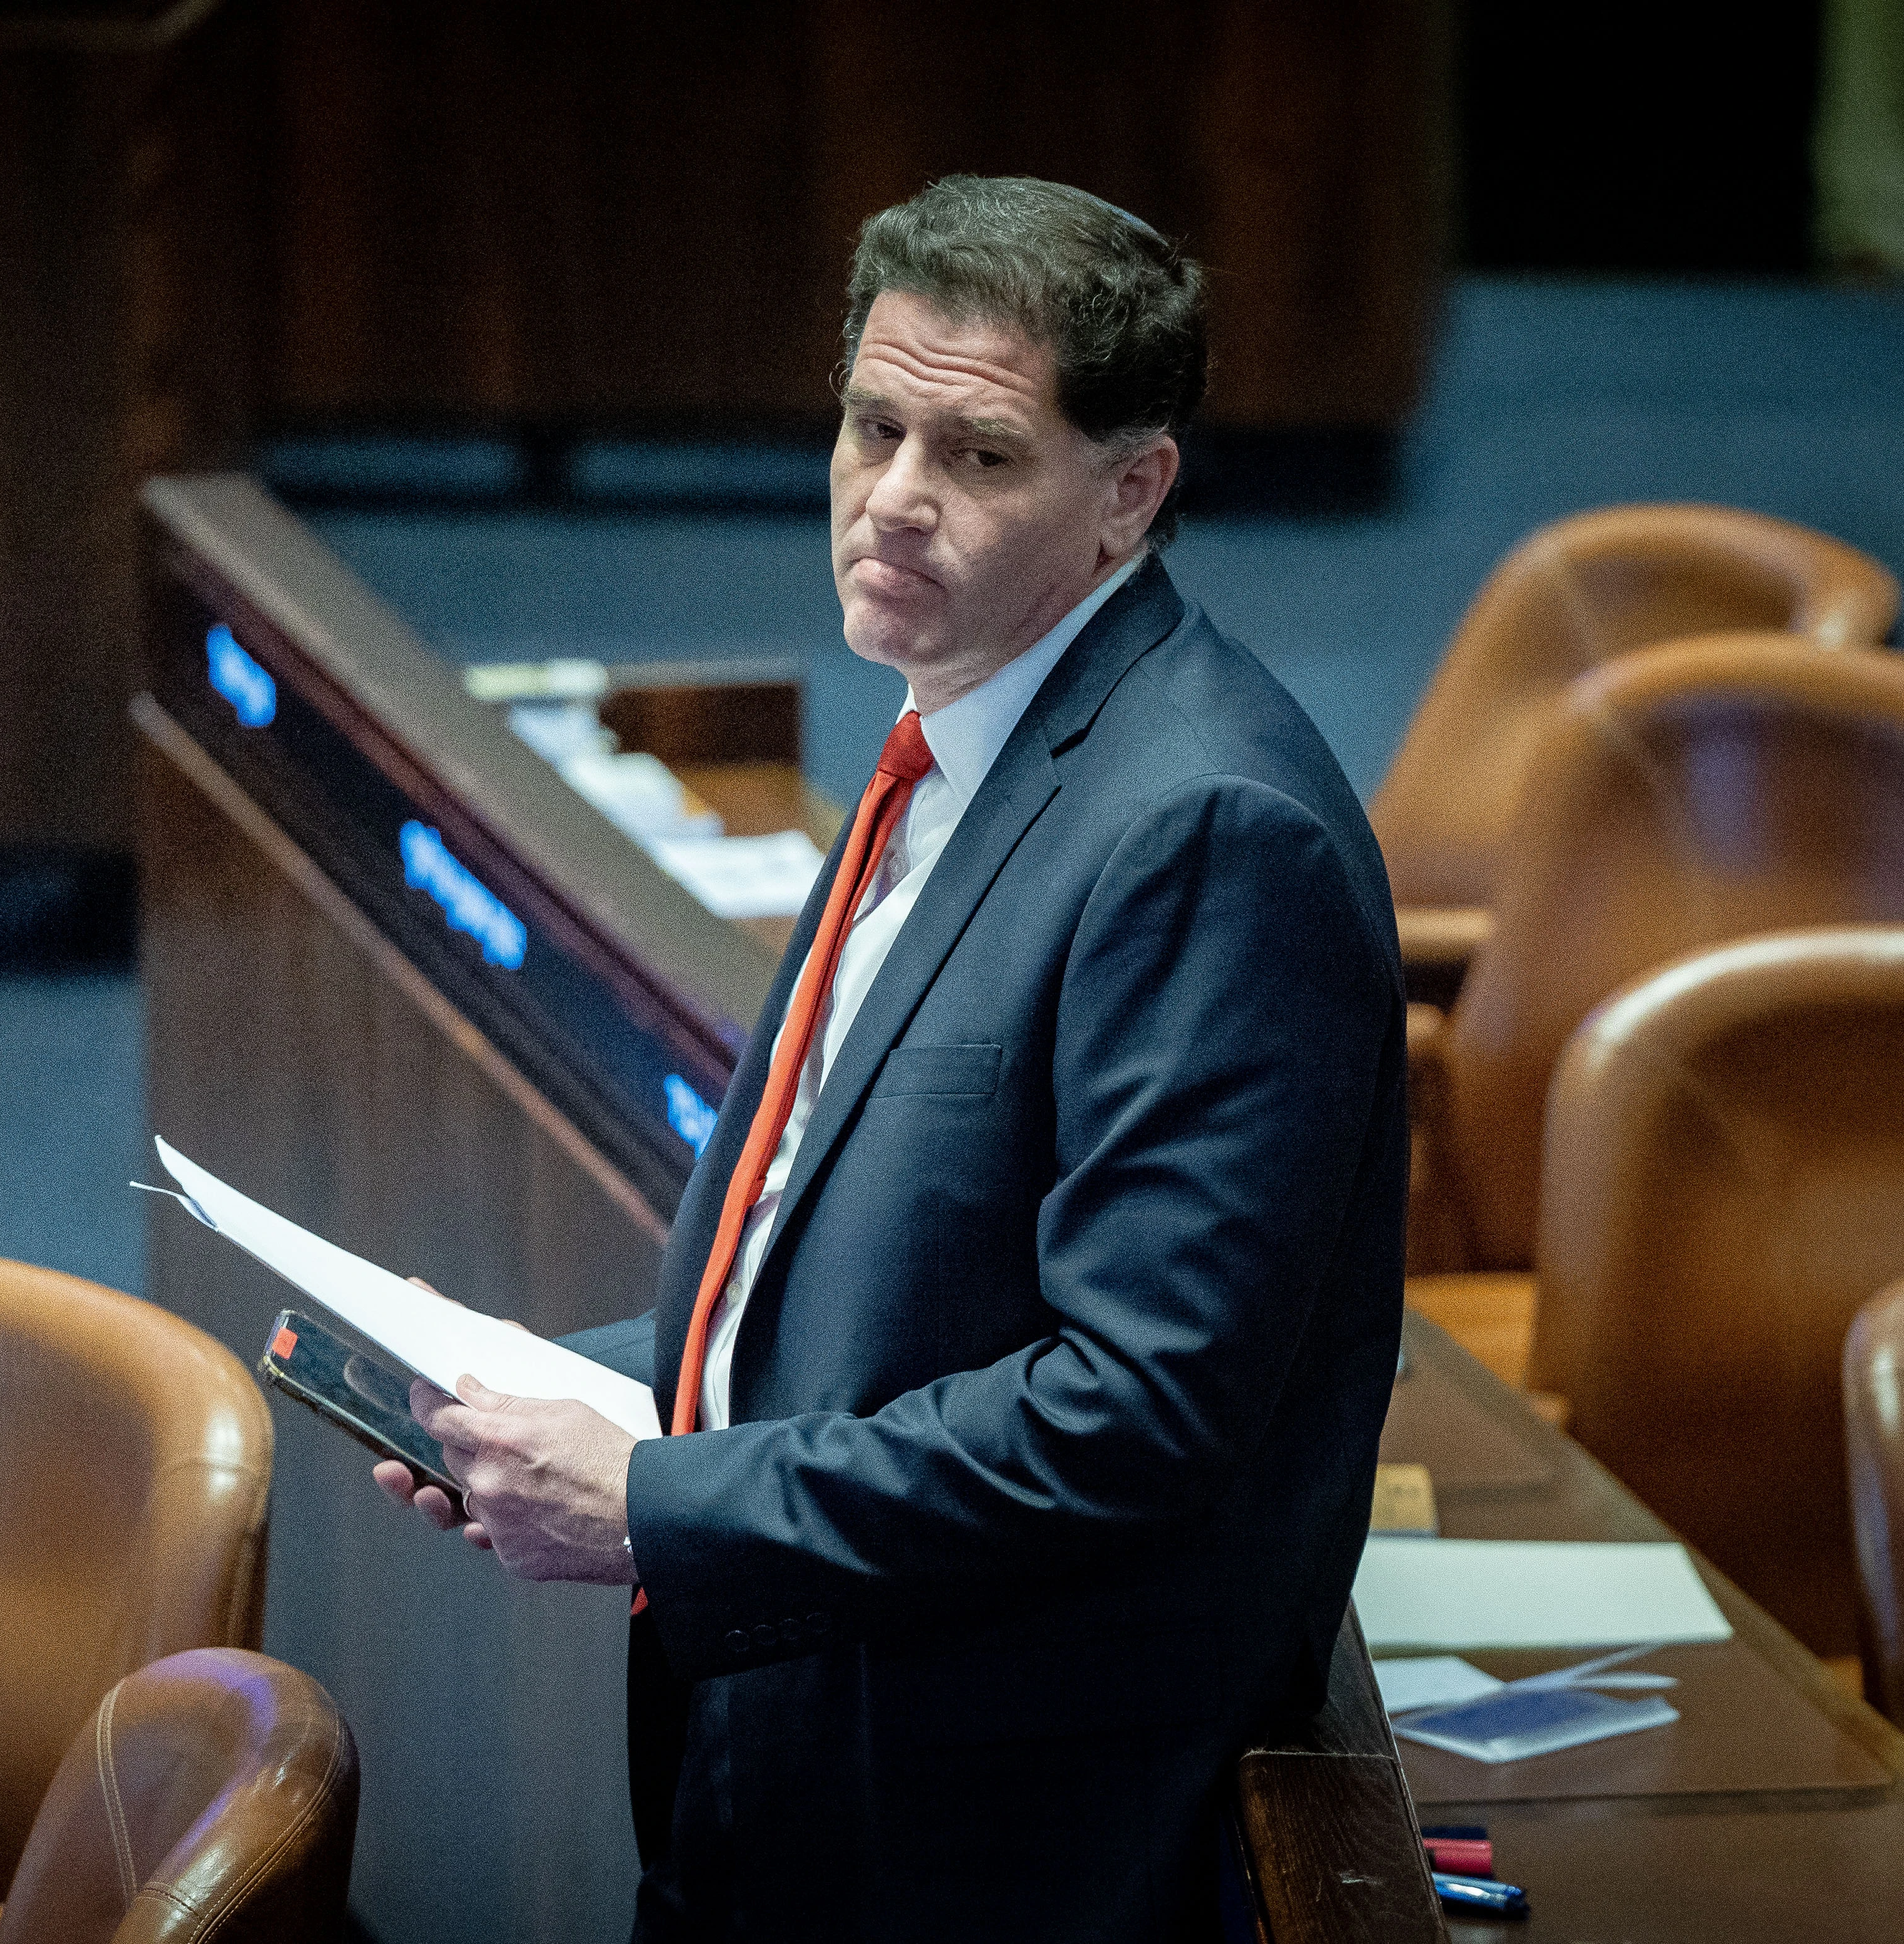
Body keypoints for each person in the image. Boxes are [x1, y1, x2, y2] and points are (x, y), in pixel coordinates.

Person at [374, 175, 1408, 1941]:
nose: (893, 503)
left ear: (1129, 491)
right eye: (872, 428)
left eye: (979, 457)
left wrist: (661, 1499)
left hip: (995, 1822)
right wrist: (592, 1398)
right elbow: (872, 1248)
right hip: (820, 1713)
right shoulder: (968, 728)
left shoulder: (1208, 831)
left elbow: (1134, 1414)